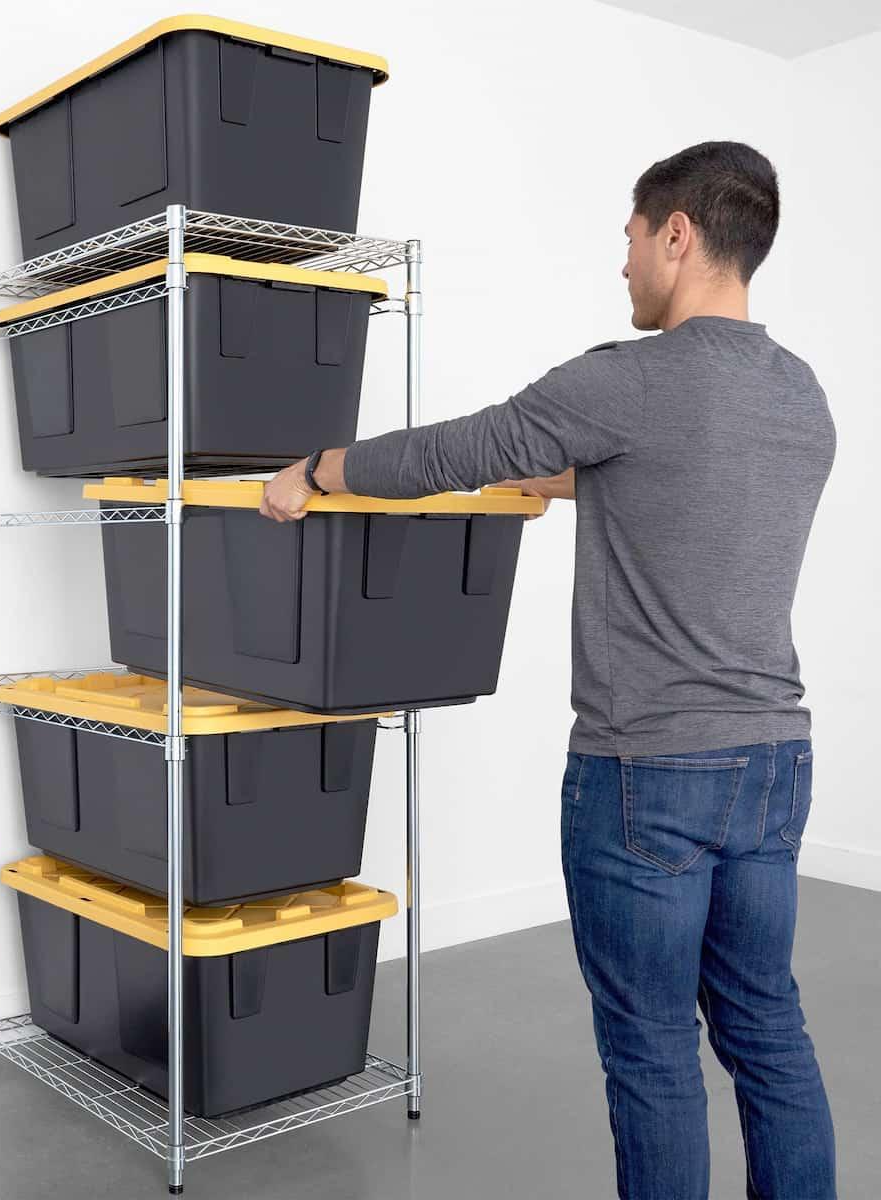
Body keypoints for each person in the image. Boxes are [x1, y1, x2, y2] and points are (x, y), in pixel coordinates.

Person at [259, 141, 837, 1200]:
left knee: (653, 1047)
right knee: (767, 1026)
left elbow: (453, 451)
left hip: (647, 772)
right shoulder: (800, 395)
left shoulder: (630, 380)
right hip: (774, 764)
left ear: (678, 234)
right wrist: (564, 477)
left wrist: (314, 471)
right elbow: (686, 480)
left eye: (631, 239)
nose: (624, 264)